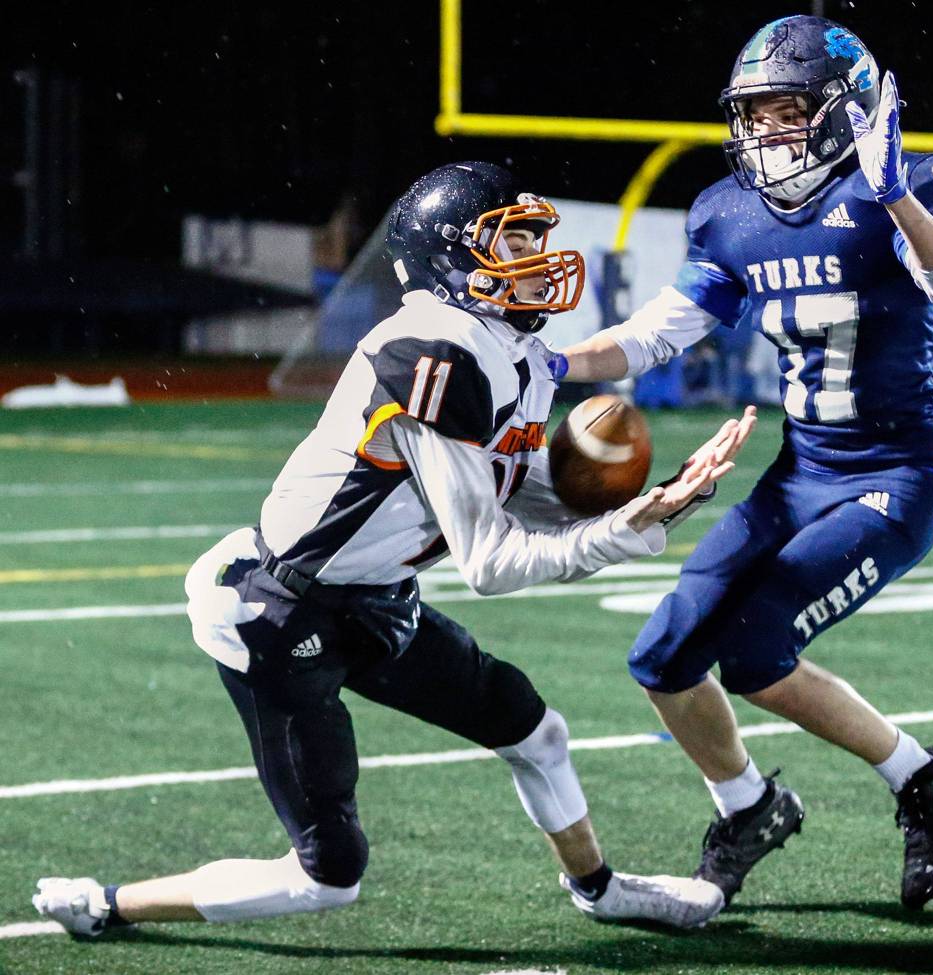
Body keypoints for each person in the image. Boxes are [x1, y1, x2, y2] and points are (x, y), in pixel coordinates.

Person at [33, 161, 757, 937]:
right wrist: (628, 529)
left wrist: (654, 501)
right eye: (512, 242)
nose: (537, 258)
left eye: (534, 236)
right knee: (328, 875)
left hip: (374, 599)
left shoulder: (509, 348)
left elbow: (504, 483)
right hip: (279, 612)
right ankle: (108, 902)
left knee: (534, 731)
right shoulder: (430, 353)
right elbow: (488, 561)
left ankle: (599, 887)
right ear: (453, 258)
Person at [552, 16, 933, 911]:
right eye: (753, 115)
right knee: (663, 652)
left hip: (893, 478)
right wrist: (548, 364)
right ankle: (747, 804)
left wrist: (895, 191)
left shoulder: (904, 187)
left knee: (753, 650)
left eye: (788, 111)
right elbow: (653, 334)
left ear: (844, 111)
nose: (765, 133)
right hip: (798, 475)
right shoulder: (729, 212)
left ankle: (922, 777)